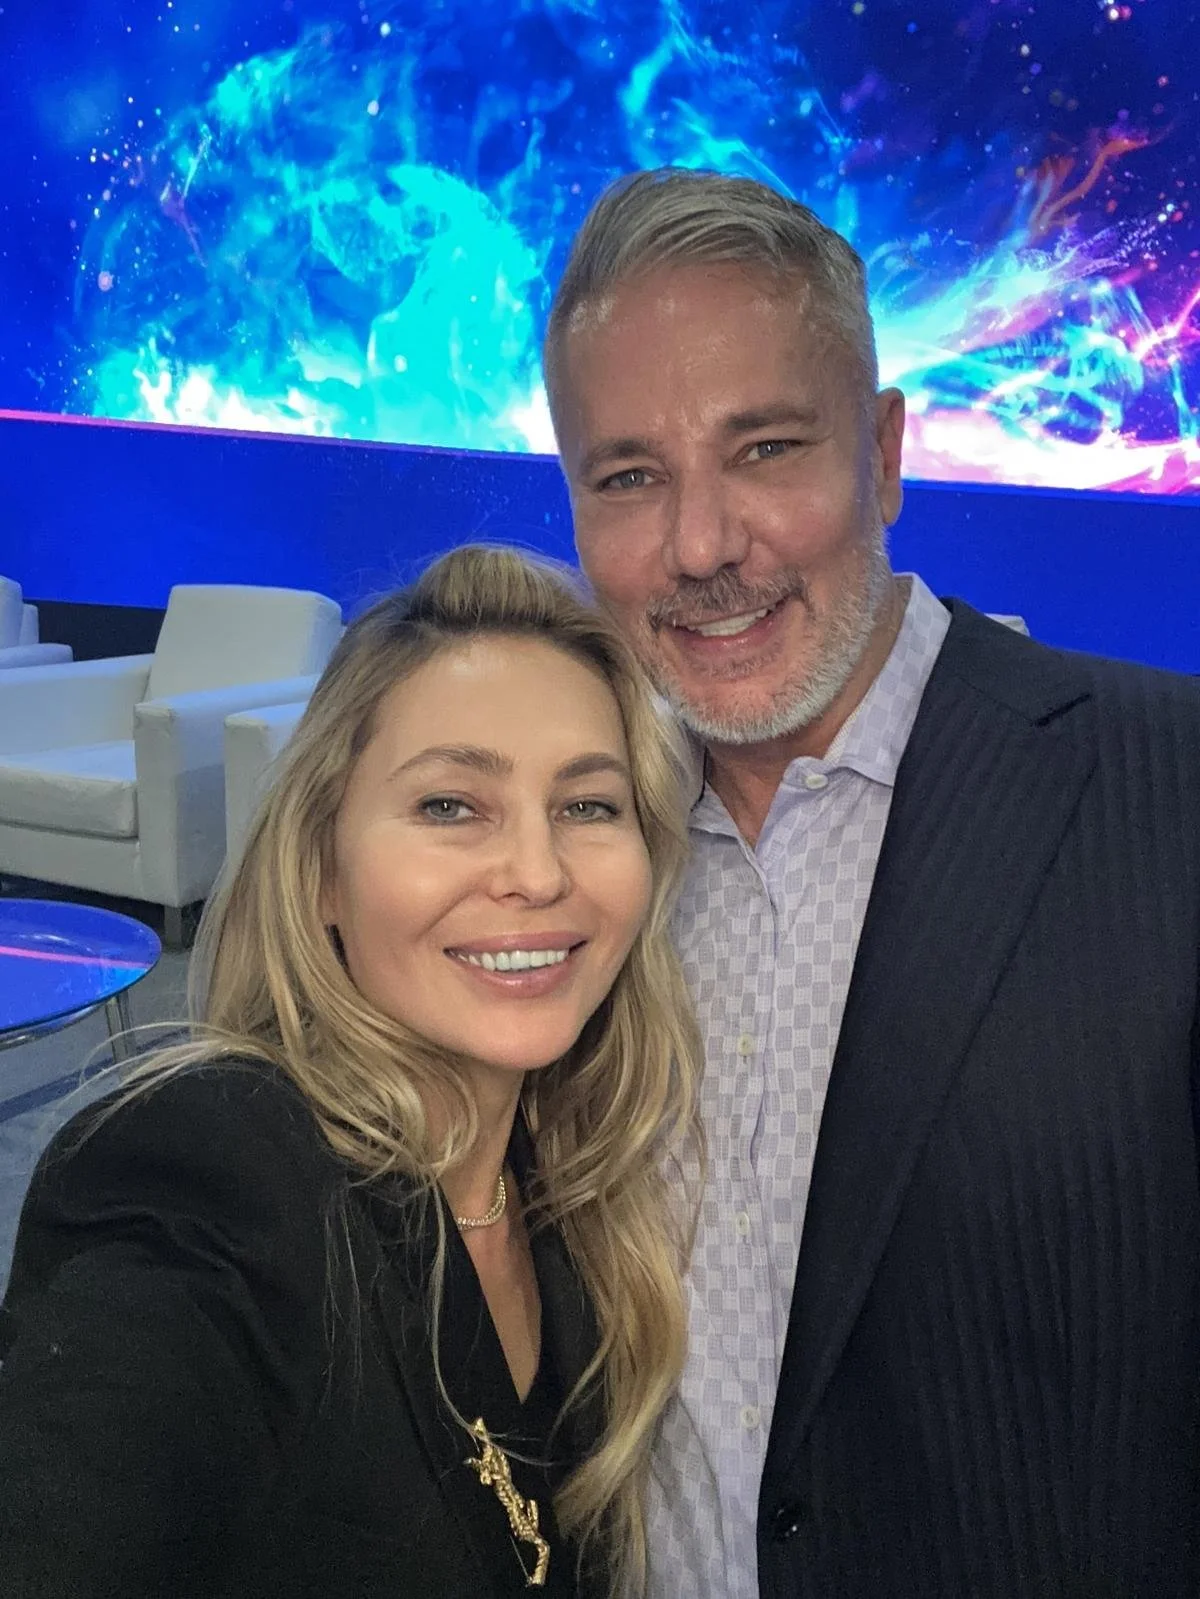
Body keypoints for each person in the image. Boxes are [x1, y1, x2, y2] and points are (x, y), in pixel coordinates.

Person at [544, 167, 1200, 1598]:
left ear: (887, 455)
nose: (702, 545)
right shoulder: (565, 865)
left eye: (766, 447)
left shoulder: (1171, 791)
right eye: (631, 476)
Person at [0, 545, 703, 1599]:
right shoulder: (201, 1170)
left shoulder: (576, 1194)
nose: (537, 873)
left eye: (589, 806)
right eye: (450, 806)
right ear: (322, 868)